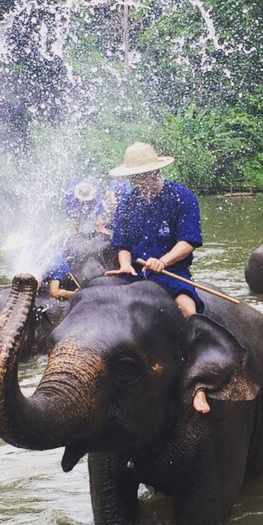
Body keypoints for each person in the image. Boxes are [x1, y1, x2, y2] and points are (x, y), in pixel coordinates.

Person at [105, 142, 210, 413]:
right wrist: (125, 264)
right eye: (135, 177)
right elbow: (122, 243)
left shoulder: (181, 197)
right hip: (135, 276)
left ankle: (197, 382)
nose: (140, 182)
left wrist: (163, 260)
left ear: (156, 172)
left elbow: (188, 241)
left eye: (144, 175)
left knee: (188, 311)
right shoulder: (128, 202)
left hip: (172, 273)